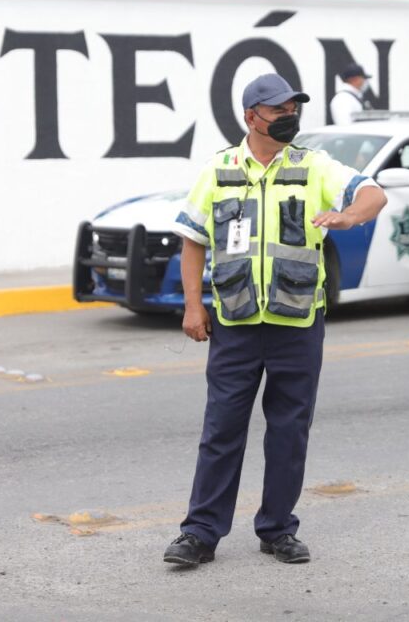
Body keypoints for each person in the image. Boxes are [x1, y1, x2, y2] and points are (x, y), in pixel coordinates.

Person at [165, 72, 387, 566]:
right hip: (237, 323)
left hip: (297, 323)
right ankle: (200, 533)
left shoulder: (314, 167)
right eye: (278, 111)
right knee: (221, 430)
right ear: (251, 117)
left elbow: (373, 193)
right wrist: (194, 305)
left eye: (293, 110)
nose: (289, 118)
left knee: (289, 432)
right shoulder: (218, 170)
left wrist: (348, 216)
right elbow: (193, 242)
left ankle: (277, 528)